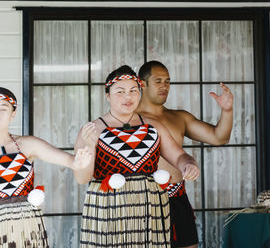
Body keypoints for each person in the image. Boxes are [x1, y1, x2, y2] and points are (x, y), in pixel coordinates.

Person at [0, 87, 92, 248]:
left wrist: (78, 161)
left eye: (3, 109)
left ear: (13, 115)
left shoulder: (27, 144)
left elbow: (69, 161)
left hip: (29, 228)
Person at [74, 65, 200, 247]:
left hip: (149, 208)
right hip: (110, 209)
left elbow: (179, 156)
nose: (128, 96)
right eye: (120, 91)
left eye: (134, 90)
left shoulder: (152, 125)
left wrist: (188, 164)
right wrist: (89, 146)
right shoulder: (94, 129)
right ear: (107, 95)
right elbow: (81, 177)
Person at [137, 60, 234, 248]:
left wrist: (227, 110)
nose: (164, 86)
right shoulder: (130, 119)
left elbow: (219, 137)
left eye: (167, 81)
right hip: (144, 200)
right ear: (142, 83)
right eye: (158, 81)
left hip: (178, 197)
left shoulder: (179, 117)